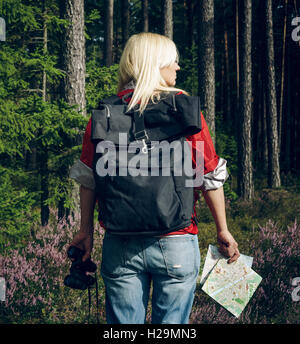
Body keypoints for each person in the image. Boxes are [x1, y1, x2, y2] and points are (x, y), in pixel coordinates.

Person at [69, 32, 240, 324]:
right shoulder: (183, 110)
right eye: (172, 61)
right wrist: (222, 229)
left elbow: (89, 179)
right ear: (155, 63)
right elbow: (208, 174)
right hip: (176, 238)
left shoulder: (106, 113)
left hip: (119, 241)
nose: (178, 67)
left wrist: (85, 231)